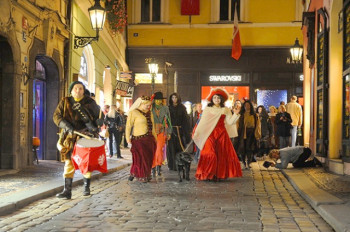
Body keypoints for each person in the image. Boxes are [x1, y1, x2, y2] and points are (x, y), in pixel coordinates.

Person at [53, 81, 103, 199]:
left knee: (86, 162)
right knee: (69, 162)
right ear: (71, 90)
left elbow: (98, 117)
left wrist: (99, 123)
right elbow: (56, 116)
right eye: (75, 88)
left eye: (80, 88)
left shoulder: (90, 103)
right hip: (70, 137)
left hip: (85, 135)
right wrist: (66, 126)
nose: (78, 91)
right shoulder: (65, 102)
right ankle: (67, 191)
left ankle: (86, 187)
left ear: (83, 90)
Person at [193, 87, 242, 181]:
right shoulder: (207, 109)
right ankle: (207, 173)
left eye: (218, 98)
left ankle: (218, 175)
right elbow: (203, 123)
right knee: (210, 153)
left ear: (221, 99)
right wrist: (197, 133)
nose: (216, 99)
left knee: (221, 155)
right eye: (215, 97)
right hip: (209, 134)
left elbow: (230, 122)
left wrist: (235, 114)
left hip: (221, 134)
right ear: (212, 98)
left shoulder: (226, 109)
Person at [125, 96, 157, 183]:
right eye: (147, 105)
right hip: (138, 139)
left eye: (149, 105)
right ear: (141, 104)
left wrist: (155, 138)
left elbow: (153, 127)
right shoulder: (133, 112)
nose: (148, 107)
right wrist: (128, 139)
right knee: (140, 158)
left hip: (149, 139)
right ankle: (142, 175)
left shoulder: (150, 113)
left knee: (148, 158)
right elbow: (128, 126)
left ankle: (145, 173)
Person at [151, 91, 172, 176]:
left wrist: (169, 132)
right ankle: (152, 168)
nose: (158, 101)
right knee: (152, 150)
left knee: (159, 150)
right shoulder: (150, 107)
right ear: (154, 100)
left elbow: (169, 121)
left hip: (161, 132)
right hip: (152, 131)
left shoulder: (165, 108)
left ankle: (158, 166)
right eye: (156, 100)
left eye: (159, 100)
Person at [168, 93, 190, 171]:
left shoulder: (182, 107)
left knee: (180, 148)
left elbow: (185, 120)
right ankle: (172, 165)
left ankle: (180, 164)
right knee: (171, 148)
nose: (174, 99)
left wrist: (186, 132)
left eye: (175, 97)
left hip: (180, 130)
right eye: (172, 97)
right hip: (171, 131)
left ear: (178, 98)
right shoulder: (168, 108)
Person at [237, 100, 261, 169]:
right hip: (242, 133)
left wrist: (258, 133)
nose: (247, 107)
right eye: (245, 105)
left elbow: (258, 125)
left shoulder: (255, 115)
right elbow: (237, 124)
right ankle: (244, 163)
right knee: (243, 148)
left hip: (252, 133)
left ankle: (249, 162)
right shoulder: (241, 115)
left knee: (250, 148)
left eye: (248, 105)